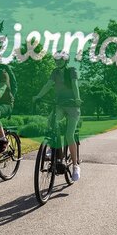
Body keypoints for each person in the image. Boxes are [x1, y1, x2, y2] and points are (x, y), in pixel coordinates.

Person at [32, 52, 82, 181]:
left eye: (60, 59)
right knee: (51, 121)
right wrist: (38, 96)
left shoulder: (71, 70)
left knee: (69, 135)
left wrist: (77, 99)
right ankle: (52, 146)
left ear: (66, 60)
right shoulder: (55, 72)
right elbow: (48, 85)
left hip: (72, 105)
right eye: (56, 59)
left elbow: (75, 84)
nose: (58, 61)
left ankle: (76, 166)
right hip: (59, 104)